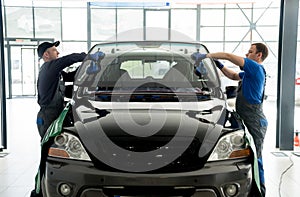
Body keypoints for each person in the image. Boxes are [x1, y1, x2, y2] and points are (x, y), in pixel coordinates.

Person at [192, 43, 268, 196]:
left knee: (255, 158)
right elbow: (233, 76)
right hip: (247, 118)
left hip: (254, 121)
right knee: (248, 156)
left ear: (259, 55)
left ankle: (259, 193)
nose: (247, 54)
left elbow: (228, 56)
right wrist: (219, 65)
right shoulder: (249, 73)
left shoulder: (255, 67)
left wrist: (206, 56)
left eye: (250, 52)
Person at [36, 41, 87, 139]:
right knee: (50, 145)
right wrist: (86, 56)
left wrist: (85, 69)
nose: (58, 53)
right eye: (54, 50)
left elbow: (70, 77)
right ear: (46, 54)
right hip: (48, 117)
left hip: (58, 112)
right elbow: (68, 59)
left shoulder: (55, 71)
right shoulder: (48, 68)